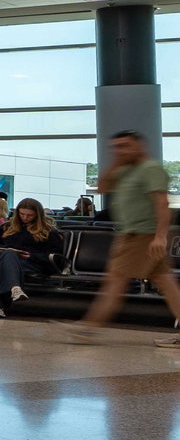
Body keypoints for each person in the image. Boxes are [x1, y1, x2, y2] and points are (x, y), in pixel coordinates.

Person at [70, 131, 180, 346]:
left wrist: (159, 236)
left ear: (139, 146)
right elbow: (102, 187)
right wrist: (116, 162)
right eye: (117, 147)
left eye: (125, 146)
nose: (120, 151)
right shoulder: (125, 170)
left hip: (142, 236)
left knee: (116, 280)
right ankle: (88, 327)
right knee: (165, 282)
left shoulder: (150, 169)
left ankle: (89, 327)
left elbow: (162, 203)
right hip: (129, 234)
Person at [0, 199, 64, 319]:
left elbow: (57, 255)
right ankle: (15, 289)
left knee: (2, 266)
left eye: (29, 215)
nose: (25, 217)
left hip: (33, 263)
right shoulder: (6, 227)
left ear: (37, 215)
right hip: (9, 261)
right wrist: (7, 251)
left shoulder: (48, 231)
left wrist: (32, 256)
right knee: (8, 254)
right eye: (22, 214)